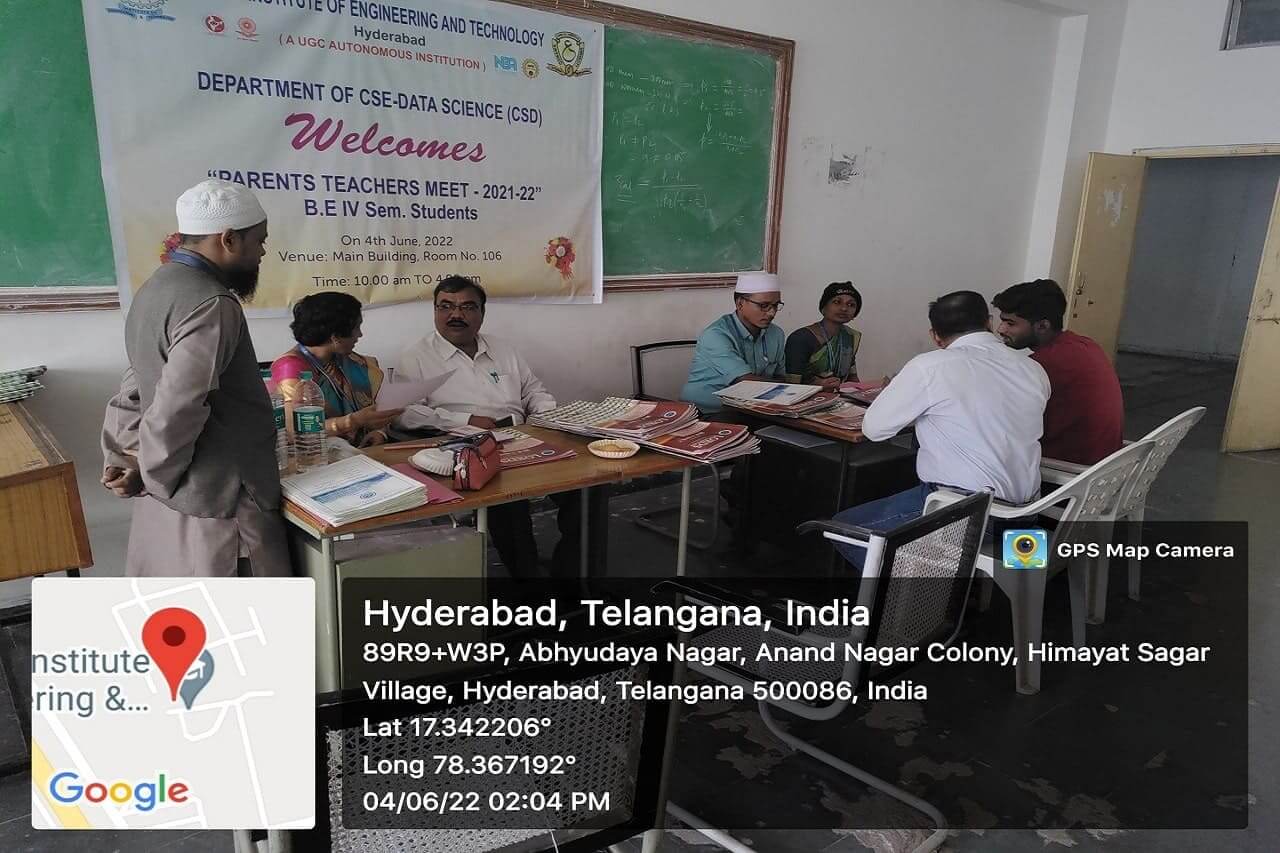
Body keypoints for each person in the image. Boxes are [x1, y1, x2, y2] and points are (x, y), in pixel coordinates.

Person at [100, 179, 289, 576]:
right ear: (229, 239)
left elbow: (135, 382)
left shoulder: (154, 289)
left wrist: (128, 457)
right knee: (241, 610)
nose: (262, 252)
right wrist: (155, 476)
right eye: (259, 241)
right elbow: (179, 404)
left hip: (173, 496)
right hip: (220, 502)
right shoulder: (213, 304)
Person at [831, 291, 1050, 567]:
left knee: (844, 529)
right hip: (1026, 515)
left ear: (935, 336)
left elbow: (874, 429)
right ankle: (969, 580)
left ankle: (919, 590)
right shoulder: (1033, 368)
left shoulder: (930, 366)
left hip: (966, 516)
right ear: (989, 322)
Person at [398, 276, 579, 578]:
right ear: (435, 311)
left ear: (482, 313)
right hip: (469, 449)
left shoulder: (503, 349)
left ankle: (572, 577)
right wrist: (466, 420)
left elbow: (533, 391)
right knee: (509, 502)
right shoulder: (416, 357)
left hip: (523, 438)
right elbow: (405, 414)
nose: (456, 315)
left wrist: (547, 418)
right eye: (446, 306)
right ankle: (528, 587)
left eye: (467, 307)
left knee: (585, 492)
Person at [993, 279, 1124, 465]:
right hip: (1106, 467)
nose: (1001, 329)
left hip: (1068, 469)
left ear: (1042, 326)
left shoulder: (1041, 366)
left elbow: (1006, 425)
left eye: (1010, 323)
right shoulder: (1085, 345)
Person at [271, 292, 402, 448]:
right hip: (312, 455)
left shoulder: (347, 361)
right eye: (356, 328)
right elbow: (296, 431)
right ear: (335, 337)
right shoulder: (289, 368)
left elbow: (375, 409)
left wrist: (379, 432)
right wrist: (354, 421)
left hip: (359, 452)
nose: (360, 335)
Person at [681, 272, 787, 414]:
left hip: (754, 409)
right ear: (740, 303)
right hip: (707, 412)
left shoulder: (776, 334)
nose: (771, 313)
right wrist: (796, 390)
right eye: (764, 305)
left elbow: (780, 377)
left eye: (776, 305)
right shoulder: (715, 335)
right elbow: (745, 382)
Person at [785, 281, 863, 389]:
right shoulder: (800, 338)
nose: (844, 308)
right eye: (837, 302)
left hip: (839, 396)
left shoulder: (850, 337)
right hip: (805, 396)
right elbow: (790, 385)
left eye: (851, 305)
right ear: (824, 307)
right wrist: (817, 385)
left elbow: (853, 379)